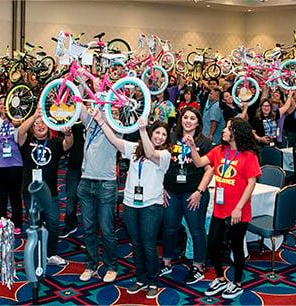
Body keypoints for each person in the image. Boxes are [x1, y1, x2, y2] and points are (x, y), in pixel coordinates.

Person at [94, 110, 171, 299]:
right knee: (136, 244)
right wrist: (100, 120)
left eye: (163, 134)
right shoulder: (135, 148)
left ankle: (153, 281)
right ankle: (140, 278)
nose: (160, 137)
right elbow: (115, 141)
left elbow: (151, 153)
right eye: (157, 132)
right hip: (130, 203)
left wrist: (142, 130)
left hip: (151, 205)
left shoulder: (165, 154)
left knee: (149, 245)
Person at [184, 117, 261, 299]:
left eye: (227, 128)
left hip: (238, 211)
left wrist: (239, 208)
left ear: (236, 133)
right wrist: (192, 147)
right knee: (213, 244)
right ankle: (220, 278)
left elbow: (251, 184)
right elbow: (199, 163)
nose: (224, 131)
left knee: (236, 247)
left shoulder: (248, 155)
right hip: (220, 208)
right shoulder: (219, 150)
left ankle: (237, 283)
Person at [160, 106, 214, 284]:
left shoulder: (205, 142)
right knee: (169, 228)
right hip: (172, 192)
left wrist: (200, 191)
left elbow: (209, 170)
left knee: (196, 230)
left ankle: (198, 266)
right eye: (185, 117)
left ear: (198, 122)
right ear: (180, 119)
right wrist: (161, 187)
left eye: (192, 118)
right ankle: (166, 263)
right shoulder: (171, 137)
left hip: (193, 193)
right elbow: (159, 162)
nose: (188, 121)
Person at [17, 107, 73, 266]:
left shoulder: (54, 142)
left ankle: (50, 254)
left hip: (50, 193)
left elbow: (68, 144)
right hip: (30, 192)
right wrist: (35, 114)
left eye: (43, 123)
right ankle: (35, 253)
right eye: (36, 124)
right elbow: (20, 131)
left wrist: (68, 133)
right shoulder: (26, 141)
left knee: (53, 223)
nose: (40, 125)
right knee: (34, 224)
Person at [76, 104, 119, 283]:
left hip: (106, 184)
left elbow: (110, 126)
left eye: (114, 110)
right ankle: (91, 265)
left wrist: (103, 115)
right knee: (88, 229)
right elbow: (78, 106)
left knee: (107, 229)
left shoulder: (117, 125)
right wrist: (79, 80)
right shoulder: (90, 123)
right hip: (86, 181)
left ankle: (111, 266)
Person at [0, 95, 24, 234]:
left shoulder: (16, 120)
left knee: (15, 195)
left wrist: (15, 126)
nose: (3, 106)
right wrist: (2, 119)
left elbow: (17, 139)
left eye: (6, 104)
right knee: (1, 196)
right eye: (1, 104)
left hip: (14, 162)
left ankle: (17, 223)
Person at [59, 122, 85, 238]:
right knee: (71, 197)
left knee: (91, 201)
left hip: (92, 167)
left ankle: (92, 230)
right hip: (75, 164)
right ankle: (70, 225)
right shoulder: (76, 122)